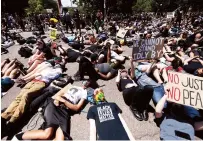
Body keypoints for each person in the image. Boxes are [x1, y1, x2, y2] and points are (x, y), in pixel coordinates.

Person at [13, 83, 87, 140]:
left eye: (88, 82)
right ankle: (19, 136)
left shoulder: (84, 92)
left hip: (65, 111)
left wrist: (63, 101)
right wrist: (58, 99)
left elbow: (76, 108)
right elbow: (57, 96)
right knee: (47, 134)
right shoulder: (71, 86)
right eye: (85, 81)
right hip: (55, 105)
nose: (86, 83)